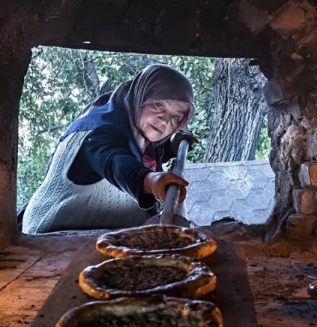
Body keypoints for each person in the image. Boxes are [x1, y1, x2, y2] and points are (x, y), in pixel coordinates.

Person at [21, 63, 194, 234]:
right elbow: (116, 162)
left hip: (98, 236)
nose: (164, 121)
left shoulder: (138, 131)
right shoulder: (97, 133)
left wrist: (172, 145)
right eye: (159, 105)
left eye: (176, 117)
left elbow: (138, 151)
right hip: (50, 237)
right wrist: (150, 181)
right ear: (141, 98)